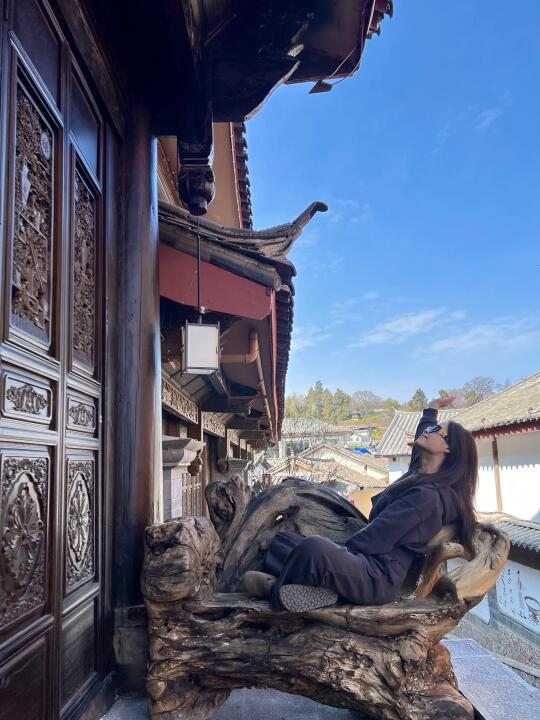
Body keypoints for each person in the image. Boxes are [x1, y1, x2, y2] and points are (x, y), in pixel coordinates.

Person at [243, 396, 478, 612]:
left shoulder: (428, 498)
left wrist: (337, 553)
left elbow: (376, 537)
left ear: (447, 449)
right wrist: (431, 409)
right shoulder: (421, 473)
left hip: (377, 575)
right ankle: (321, 589)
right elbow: (422, 439)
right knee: (284, 541)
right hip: (367, 558)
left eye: (437, 431)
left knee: (312, 548)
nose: (430, 430)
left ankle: (277, 593)